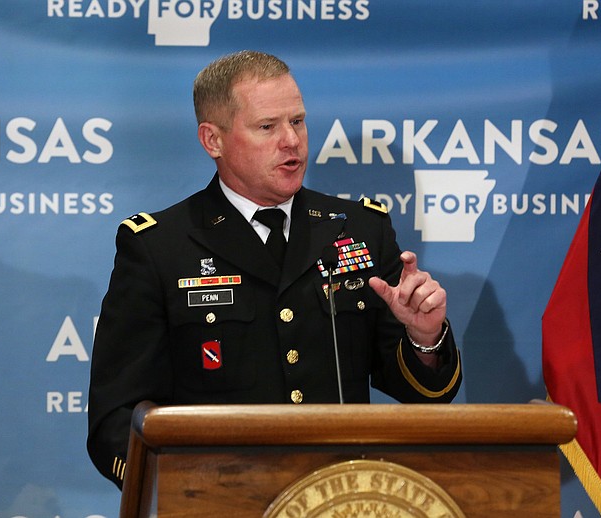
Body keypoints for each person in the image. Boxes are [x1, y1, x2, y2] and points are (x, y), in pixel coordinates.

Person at [86, 50, 462, 489]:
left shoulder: (360, 229)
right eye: (268, 127)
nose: (292, 141)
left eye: (298, 121)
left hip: (341, 499)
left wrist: (424, 336)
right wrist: (180, 494)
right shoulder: (159, 247)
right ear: (213, 140)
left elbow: (424, 392)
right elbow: (116, 417)